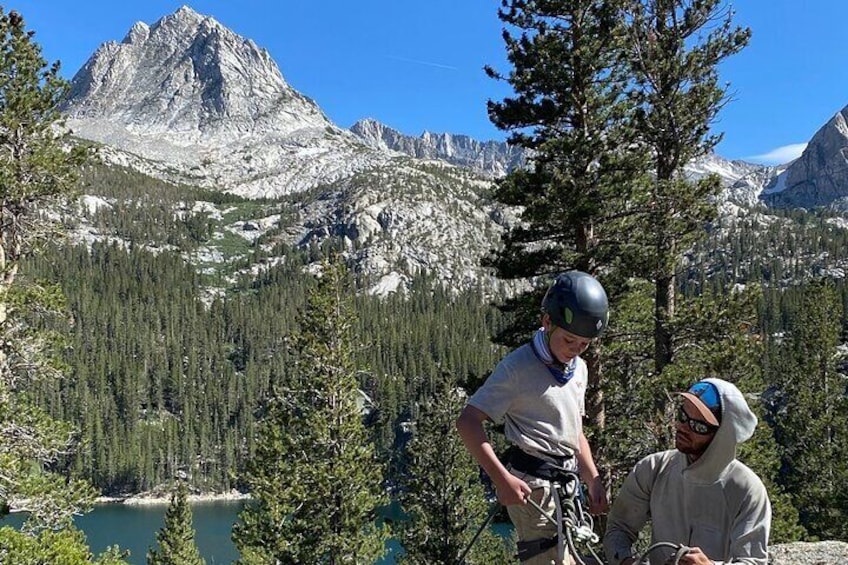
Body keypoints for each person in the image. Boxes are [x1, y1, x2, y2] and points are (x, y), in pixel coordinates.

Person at [456, 270, 610, 565]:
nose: (576, 350)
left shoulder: (578, 368)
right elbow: (468, 422)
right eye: (569, 340)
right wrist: (502, 480)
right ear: (547, 322)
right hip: (533, 488)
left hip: (566, 486)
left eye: (584, 344)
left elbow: (574, 430)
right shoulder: (517, 368)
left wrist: (592, 480)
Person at [603, 378, 771, 565]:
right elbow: (618, 529)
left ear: (721, 436)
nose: (682, 427)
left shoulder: (747, 490)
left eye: (698, 426)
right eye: (683, 416)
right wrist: (627, 561)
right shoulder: (653, 469)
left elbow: (752, 561)